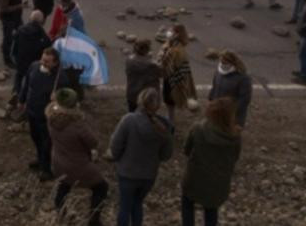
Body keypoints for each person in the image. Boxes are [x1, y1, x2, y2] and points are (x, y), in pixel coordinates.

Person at [110, 88, 174, 226]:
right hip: (148, 175)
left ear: (140, 101)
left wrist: (117, 158)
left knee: (125, 207)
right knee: (137, 204)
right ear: (158, 105)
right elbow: (166, 155)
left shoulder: (128, 120)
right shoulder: (164, 126)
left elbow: (115, 146)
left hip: (127, 172)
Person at [47, 88, 108, 226]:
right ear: (74, 105)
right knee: (101, 187)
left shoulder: (51, 117)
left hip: (58, 160)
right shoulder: (78, 125)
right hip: (78, 165)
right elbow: (94, 143)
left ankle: (61, 212)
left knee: (64, 185)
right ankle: (94, 220)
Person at [181, 98, 242, 226]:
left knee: (187, 203)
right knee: (211, 209)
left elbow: (187, 150)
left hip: (195, 178)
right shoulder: (235, 136)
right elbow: (235, 158)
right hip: (218, 182)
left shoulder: (198, 128)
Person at [19, 48, 71, 181]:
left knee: (47, 143)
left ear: (55, 63)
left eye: (47, 62)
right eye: (43, 59)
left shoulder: (61, 78)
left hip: (47, 117)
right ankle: (40, 158)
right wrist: (21, 99)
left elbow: (68, 102)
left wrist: (57, 99)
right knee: (35, 138)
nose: (43, 63)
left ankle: (45, 169)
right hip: (32, 111)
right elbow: (26, 84)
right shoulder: (34, 66)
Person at [159, 24, 199, 122]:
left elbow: (169, 65)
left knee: (170, 101)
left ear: (177, 34)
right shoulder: (172, 45)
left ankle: (170, 123)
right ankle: (170, 118)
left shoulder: (177, 50)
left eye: (171, 31)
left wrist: (163, 57)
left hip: (173, 80)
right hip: (171, 78)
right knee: (169, 101)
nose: (169, 32)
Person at [12, 10, 51, 99]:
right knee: (30, 81)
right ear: (42, 22)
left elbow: (14, 46)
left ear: (30, 19)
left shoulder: (20, 30)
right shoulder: (44, 37)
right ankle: (25, 97)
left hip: (20, 61)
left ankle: (15, 93)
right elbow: (47, 52)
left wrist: (14, 57)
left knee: (18, 76)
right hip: (34, 64)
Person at [208, 51, 252, 127]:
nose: (222, 65)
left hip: (233, 115)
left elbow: (244, 100)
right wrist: (211, 100)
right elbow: (214, 87)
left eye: (225, 63)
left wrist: (230, 112)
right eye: (221, 62)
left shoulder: (243, 78)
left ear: (232, 63)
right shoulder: (218, 72)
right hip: (217, 112)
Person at [0, 0, 28, 68]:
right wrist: (20, 6)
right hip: (8, 19)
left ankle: (18, 51)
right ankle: (7, 59)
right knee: (8, 39)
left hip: (17, 17)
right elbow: (4, 8)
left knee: (21, 33)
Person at [125, 39, 163, 113]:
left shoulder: (129, 60)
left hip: (132, 93)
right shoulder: (151, 64)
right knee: (148, 116)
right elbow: (161, 74)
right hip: (146, 96)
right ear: (146, 50)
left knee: (132, 114)